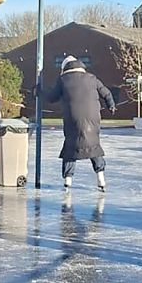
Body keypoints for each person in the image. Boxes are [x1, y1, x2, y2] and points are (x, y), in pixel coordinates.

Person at [45, 55, 116, 192]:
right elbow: (106, 93)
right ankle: (101, 177)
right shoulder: (92, 78)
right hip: (93, 118)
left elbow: (51, 97)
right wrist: (111, 105)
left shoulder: (63, 79)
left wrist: (39, 91)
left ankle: (68, 179)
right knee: (92, 144)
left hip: (73, 118)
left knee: (71, 146)